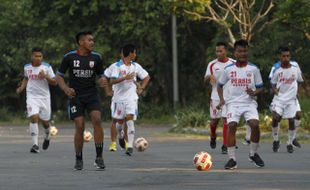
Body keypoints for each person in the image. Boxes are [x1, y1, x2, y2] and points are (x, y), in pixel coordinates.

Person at [56, 31, 108, 170]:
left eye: (93, 40)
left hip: (92, 94)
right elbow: (59, 76)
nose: (92, 42)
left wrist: (103, 81)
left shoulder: (97, 57)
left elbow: (101, 76)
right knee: (80, 125)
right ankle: (78, 159)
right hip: (75, 96)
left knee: (97, 119)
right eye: (89, 40)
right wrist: (66, 89)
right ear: (81, 42)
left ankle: (99, 157)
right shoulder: (69, 57)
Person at [218, 39, 265, 169]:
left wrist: (254, 92)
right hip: (233, 103)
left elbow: (261, 87)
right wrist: (222, 99)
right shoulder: (228, 69)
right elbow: (220, 85)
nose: (243, 53)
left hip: (249, 103)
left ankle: (253, 154)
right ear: (235, 53)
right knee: (232, 125)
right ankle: (232, 159)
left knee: (255, 124)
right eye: (240, 51)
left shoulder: (253, 69)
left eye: (245, 51)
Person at [110, 44, 150, 156]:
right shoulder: (117, 66)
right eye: (135, 52)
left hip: (132, 98)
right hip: (119, 99)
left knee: (130, 119)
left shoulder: (136, 66)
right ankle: (120, 135)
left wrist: (141, 88)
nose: (136, 55)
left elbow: (147, 77)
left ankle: (130, 146)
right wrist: (124, 78)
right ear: (131, 53)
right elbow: (112, 81)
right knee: (119, 122)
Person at [16, 47, 57, 153]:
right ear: (32, 56)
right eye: (36, 56)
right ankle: (35, 145)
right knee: (34, 117)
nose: (38, 58)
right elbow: (26, 78)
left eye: (40, 56)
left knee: (45, 122)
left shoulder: (47, 67)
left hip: (44, 98)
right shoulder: (27, 67)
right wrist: (21, 88)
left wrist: (45, 76)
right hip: (31, 97)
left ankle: (47, 136)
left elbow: (54, 82)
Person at [270, 46, 304, 153]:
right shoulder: (276, 69)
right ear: (280, 57)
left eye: (288, 56)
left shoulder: (295, 68)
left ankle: (290, 142)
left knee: (292, 120)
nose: (286, 58)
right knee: (275, 118)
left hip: (291, 100)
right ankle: (276, 140)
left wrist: (297, 92)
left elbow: (300, 80)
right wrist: (274, 90)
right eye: (283, 56)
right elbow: (272, 82)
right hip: (279, 99)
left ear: (290, 56)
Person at [204, 42, 235, 154]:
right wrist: (209, 77)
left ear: (226, 51)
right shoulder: (212, 65)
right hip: (216, 97)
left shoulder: (233, 63)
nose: (218, 53)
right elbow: (205, 80)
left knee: (226, 120)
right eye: (217, 51)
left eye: (220, 51)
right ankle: (213, 136)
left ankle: (225, 145)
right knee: (214, 122)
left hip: (229, 97)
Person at [104, 58, 128, 152]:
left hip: (129, 98)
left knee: (127, 119)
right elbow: (104, 77)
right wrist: (107, 91)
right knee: (115, 120)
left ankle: (125, 141)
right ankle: (113, 143)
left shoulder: (134, 66)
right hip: (117, 98)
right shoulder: (114, 66)